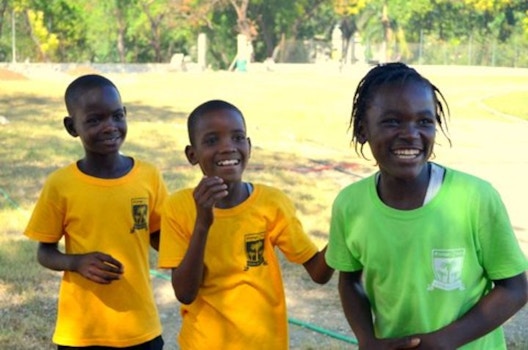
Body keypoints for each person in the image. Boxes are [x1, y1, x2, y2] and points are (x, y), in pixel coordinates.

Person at [325, 62, 528, 349]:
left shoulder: (475, 198)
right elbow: (351, 281)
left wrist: (446, 341)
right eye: (392, 121)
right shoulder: (350, 205)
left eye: (424, 121)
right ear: (362, 130)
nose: (410, 134)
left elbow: (515, 288)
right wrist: (366, 339)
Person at [158, 99, 334, 349]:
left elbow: (318, 272)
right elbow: (185, 293)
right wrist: (203, 224)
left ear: (249, 146)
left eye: (238, 137)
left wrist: (347, 225)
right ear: (192, 154)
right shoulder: (178, 207)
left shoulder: (272, 203)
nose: (228, 147)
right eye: (211, 140)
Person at [24, 74, 167, 349]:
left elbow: (161, 237)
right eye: (94, 120)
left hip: (140, 327)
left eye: (116, 116)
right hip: (81, 331)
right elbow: (45, 252)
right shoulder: (61, 185)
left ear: (125, 114)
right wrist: (76, 262)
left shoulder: (148, 176)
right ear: (71, 126)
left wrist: (201, 237)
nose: (109, 127)